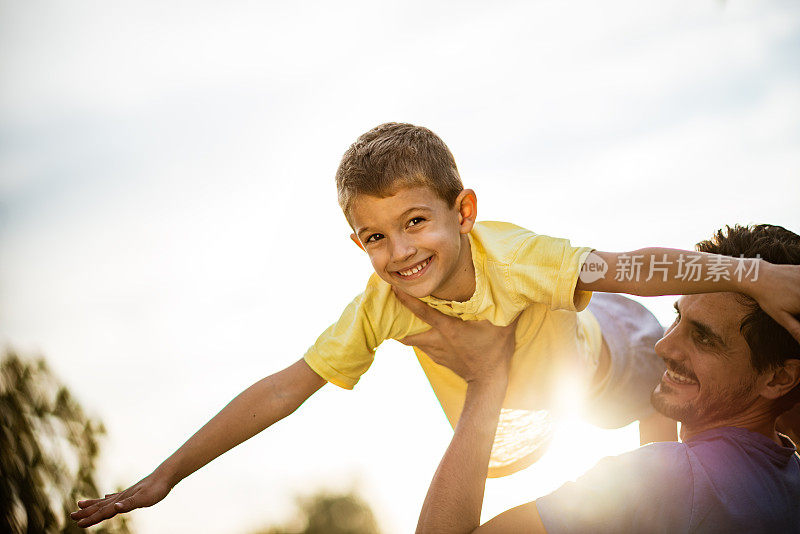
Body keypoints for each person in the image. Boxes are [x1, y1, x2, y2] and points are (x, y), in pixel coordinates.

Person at [70, 124, 800, 528]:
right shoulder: (380, 304)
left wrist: (756, 277)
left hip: (622, 359)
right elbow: (285, 390)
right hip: (529, 411)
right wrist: (163, 476)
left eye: (415, 221)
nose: (399, 252)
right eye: (374, 237)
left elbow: (626, 268)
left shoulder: (516, 256)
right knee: (510, 446)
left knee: (643, 371)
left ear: (464, 211)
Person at [406, 223, 800, 533]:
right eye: (678, 317)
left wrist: (485, 380)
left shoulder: (666, 482)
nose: (664, 345)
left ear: (780, 378)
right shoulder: (785, 483)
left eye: (703, 338)